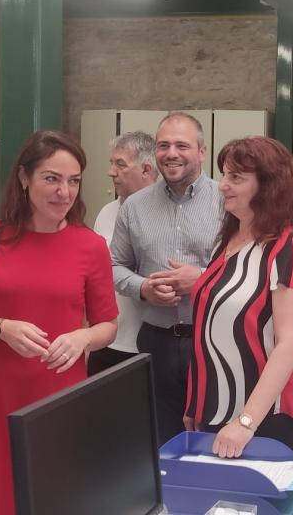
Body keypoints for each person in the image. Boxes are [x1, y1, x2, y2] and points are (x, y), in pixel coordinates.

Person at [0, 130, 118, 515]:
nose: (64, 192)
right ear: (24, 177)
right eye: (52, 179)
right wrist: (0, 328)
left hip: (60, 401)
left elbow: (108, 325)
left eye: (73, 181)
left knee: (55, 499)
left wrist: (83, 337)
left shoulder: (90, 246)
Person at [185, 137, 293, 455]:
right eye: (224, 175)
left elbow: (290, 343)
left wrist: (246, 422)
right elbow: (207, 327)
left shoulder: (289, 248)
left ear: (268, 186)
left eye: (236, 177)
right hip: (215, 405)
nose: (222, 185)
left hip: (262, 415)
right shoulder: (227, 241)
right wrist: (196, 401)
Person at [112, 111, 224, 444]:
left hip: (213, 340)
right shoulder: (133, 207)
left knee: (212, 440)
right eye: (163, 145)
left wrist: (201, 279)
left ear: (202, 152)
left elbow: (247, 268)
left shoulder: (227, 201)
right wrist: (143, 288)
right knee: (161, 441)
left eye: (181, 145)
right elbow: (114, 265)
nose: (171, 153)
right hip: (155, 342)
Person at [88, 131, 158, 375]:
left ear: (146, 169)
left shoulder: (165, 215)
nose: (111, 172)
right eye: (111, 163)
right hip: (107, 340)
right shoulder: (107, 212)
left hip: (145, 344)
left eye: (120, 164)